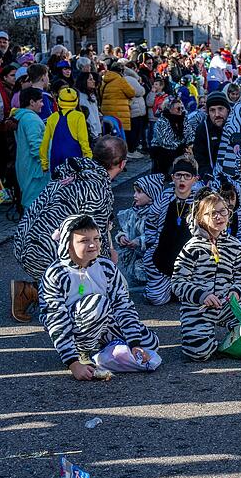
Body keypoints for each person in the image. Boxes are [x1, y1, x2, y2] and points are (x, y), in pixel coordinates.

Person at [11, 136, 127, 322]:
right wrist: (108, 263)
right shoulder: (97, 188)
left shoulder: (73, 170)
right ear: (122, 164)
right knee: (92, 266)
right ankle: (35, 293)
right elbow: (94, 237)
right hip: (42, 253)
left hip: (22, 244)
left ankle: (35, 289)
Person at [39, 214, 161, 380]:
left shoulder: (106, 267)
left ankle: (105, 347)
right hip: (75, 329)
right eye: (84, 241)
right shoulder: (56, 274)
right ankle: (83, 352)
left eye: (96, 239)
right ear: (67, 244)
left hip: (103, 322)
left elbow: (123, 305)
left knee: (150, 343)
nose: (92, 245)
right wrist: (72, 363)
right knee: (98, 303)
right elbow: (56, 319)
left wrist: (134, 344)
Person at [171, 189, 241, 361]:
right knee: (198, 353)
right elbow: (177, 282)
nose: (219, 217)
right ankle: (209, 341)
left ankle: (228, 341)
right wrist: (202, 296)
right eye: (212, 213)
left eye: (223, 211)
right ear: (201, 218)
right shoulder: (191, 247)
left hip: (228, 305)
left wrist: (236, 291)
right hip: (198, 307)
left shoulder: (235, 245)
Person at [142, 156, 200, 306]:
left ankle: (181, 287)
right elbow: (151, 222)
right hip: (162, 256)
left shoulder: (200, 200)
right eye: (178, 175)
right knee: (156, 299)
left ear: (195, 179)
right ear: (172, 177)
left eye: (187, 176)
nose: (182, 180)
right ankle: (167, 286)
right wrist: (150, 246)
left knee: (193, 299)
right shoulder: (164, 196)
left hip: (191, 260)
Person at [116, 174, 165, 290]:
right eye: (135, 192)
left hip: (151, 258)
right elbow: (124, 228)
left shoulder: (158, 214)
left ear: (152, 194)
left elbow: (160, 236)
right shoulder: (133, 212)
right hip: (133, 256)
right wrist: (122, 237)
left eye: (139, 192)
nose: (134, 195)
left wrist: (140, 241)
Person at [11, 87, 49, 209]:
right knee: (33, 203)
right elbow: (36, 146)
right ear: (32, 102)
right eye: (40, 101)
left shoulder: (24, 117)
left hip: (27, 166)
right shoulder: (31, 119)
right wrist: (44, 165)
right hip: (35, 170)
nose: (42, 104)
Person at [40, 87, 92, 173]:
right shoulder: (79, 116)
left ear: (59, 101)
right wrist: (88, 159)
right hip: (74, 158)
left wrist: (44, 164)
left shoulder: (52, 117)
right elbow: (84, 141)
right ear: (76, 101)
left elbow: (45, 142)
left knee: (58, 184)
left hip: (55, 158)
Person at [100, 61, 136, 135]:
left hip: (107, 114)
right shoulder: (121, 80)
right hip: (120, 116)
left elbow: (100, 94)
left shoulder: (104, 81)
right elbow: (131, 93)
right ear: (121, 71)